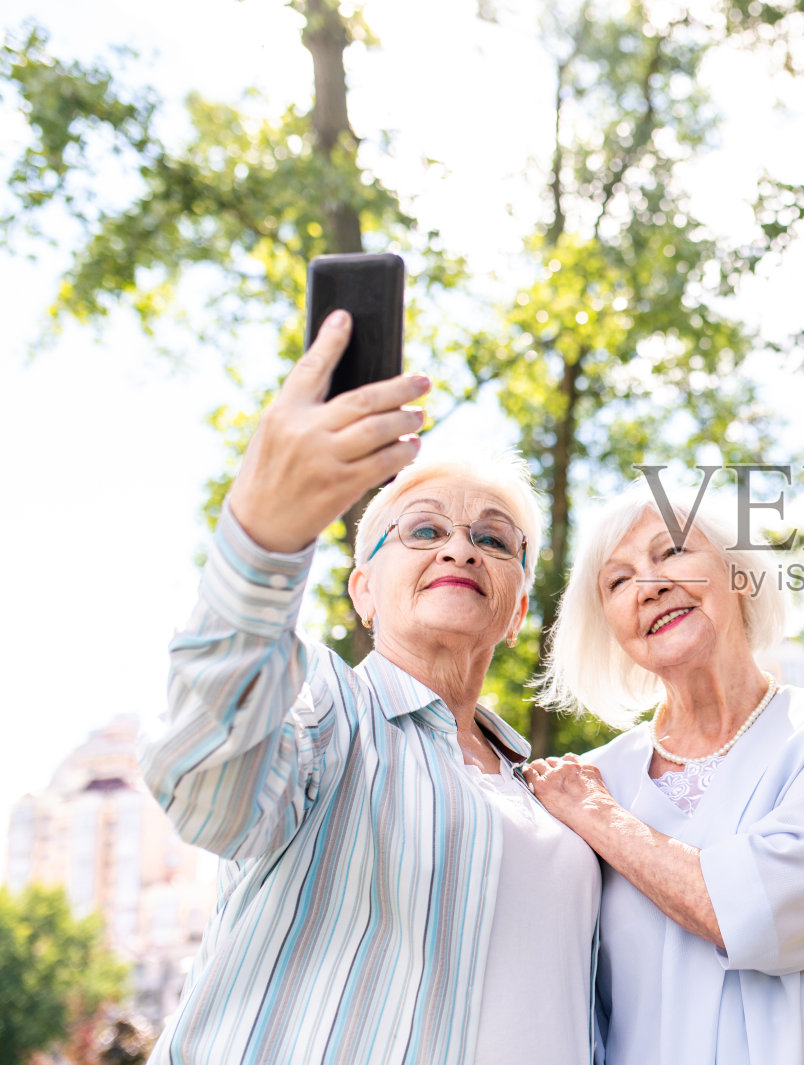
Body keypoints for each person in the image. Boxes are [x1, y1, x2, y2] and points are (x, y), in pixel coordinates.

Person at [140, 311, 600, 1065]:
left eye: (493, 538)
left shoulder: (552, 790)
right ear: (363, 589)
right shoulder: (323, 711)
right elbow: (201, 781)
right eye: (424, 531)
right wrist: (264, 534)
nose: (460, 545)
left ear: (518, 610)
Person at [527, 485, 804, 1065]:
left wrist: (600, 818)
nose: (651, 586)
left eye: (673, 552)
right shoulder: (595, 776)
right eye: (618, 581)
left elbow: (759, 912)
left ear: (739, 573)